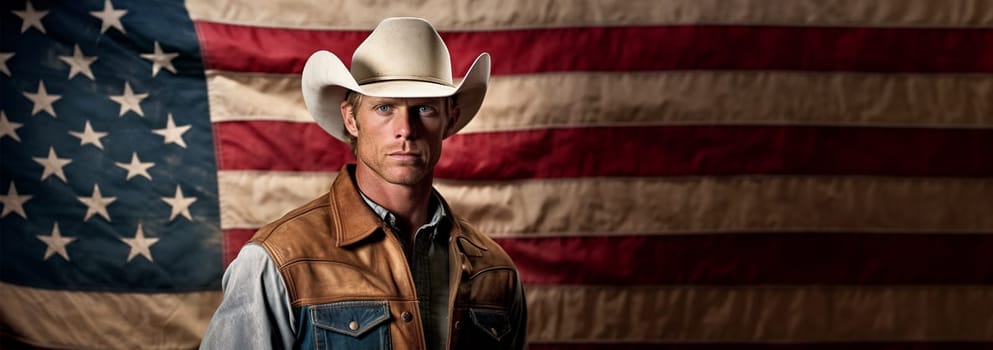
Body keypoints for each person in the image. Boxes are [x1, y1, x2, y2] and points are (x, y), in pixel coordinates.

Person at [200, 17, 527, 350]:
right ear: (351, 119)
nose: (406, 129)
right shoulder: (279, 260)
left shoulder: (494, 271)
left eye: (424, 108)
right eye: (384, 108)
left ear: (450, 118)